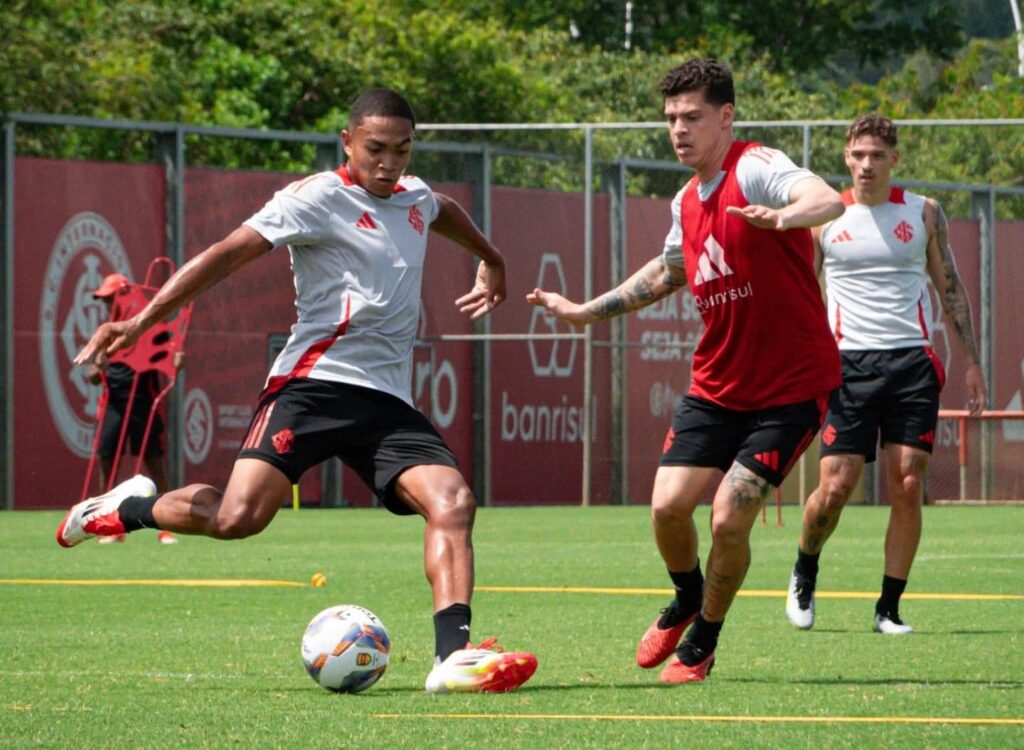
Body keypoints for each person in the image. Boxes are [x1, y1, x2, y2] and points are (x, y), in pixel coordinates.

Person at [57, 88, 537, 694]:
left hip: (386, 402)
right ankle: (124, 508)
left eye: (402, 150)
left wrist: (492, 258)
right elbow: (223, 255)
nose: (388, 164)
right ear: (347, 142)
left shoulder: (413, 196)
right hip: (311, 385)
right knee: (237, 519)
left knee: (454, 502)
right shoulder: (316, 198)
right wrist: (140, 321)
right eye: (375, 150)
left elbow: (440, 207)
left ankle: (453, 657)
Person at [527, 58, 844, 683]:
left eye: (692, 116)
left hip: (790, 391)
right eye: (671, 117)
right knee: (668, 509)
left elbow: (825, 197)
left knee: (729, 516)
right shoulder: (684, 201)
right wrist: (585, 311)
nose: (678, 128)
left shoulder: (754, 167)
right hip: (717, 388)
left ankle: (703, 641)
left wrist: (785, 215)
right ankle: (687, 594)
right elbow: (668, 271)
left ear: (725, 118)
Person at [784, 114, 987, 635]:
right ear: (846, 158)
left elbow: (952, 289)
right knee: (836, 487)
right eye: (858, 155)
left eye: (877, 155)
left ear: (894, 158)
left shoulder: (924, 213)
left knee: (908, 482)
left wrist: (971, 362)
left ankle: (888, 608)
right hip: (848, 365)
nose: (867, 164)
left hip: (912, 363)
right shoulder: (824, 216)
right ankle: (805, 568)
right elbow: (804, 297)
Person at [87, 273, 180, 545]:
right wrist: (99, 364)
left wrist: (177, 362)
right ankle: (108, 526)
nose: (106, 304)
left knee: (154, 464)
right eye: (104, 300)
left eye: (110, 298)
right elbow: (93, 376)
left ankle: (167, 527)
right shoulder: (106, 331)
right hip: (113, 403)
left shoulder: (151, 327)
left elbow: (169, 363)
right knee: (107, 463)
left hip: (142, 402)